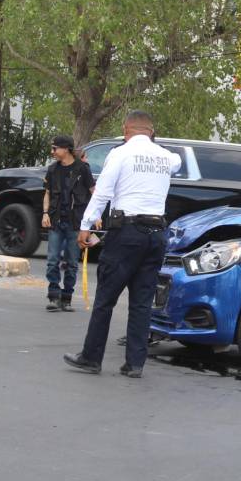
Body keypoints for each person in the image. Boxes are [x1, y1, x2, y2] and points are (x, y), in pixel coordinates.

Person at [63, 110, 181, 378]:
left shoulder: (119, 154)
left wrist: (85, 225)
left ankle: (91, 358)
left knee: (106, 298)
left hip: (126, 234)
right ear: (151, 131)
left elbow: (103, 192)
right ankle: (135, 364)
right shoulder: (166, 157)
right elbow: (176, 162)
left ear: (126, 130)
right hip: (156, 235)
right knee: (141, 301)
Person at [42, 135, 94, 312]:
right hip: (56, 221)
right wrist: (45, 213)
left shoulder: (82, 169)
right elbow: (47, 193)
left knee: (72, 263)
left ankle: (67, 297)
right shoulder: (52, 170)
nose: (53, 152)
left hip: (75, 224)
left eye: (55, 148)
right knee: (52, 261)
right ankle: (53, 295)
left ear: (66, 149)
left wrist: (96, 216)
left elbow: (94, 193)